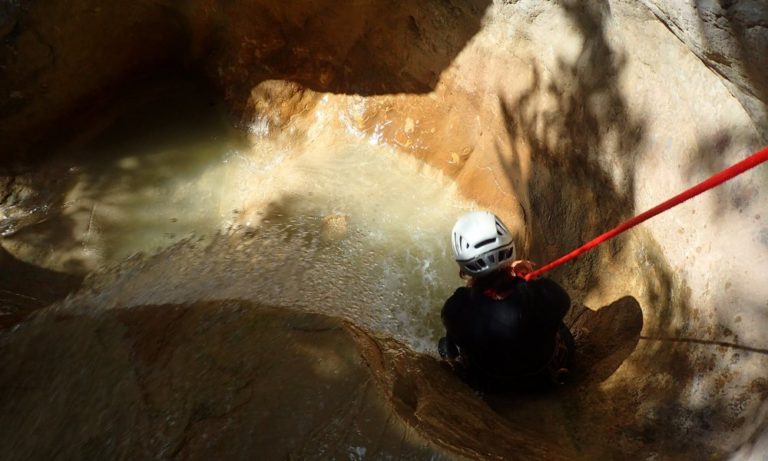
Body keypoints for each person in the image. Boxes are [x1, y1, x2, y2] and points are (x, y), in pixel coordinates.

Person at [438, 211, 574, 392]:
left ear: (463, 270)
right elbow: (563, 304)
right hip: (542, 378)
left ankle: (455, 365)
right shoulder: (545, 293)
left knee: (447, 340)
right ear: (511, 251)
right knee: (556, 322)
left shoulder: (454, 308)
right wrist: (521, 281)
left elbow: (480, 306)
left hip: (488, 384)